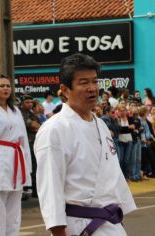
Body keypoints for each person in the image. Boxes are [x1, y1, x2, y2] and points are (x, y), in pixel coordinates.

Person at [34, 53, 136, 236]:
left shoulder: (101, 124)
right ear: (65, 90)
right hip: (78, 225)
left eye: (95, 81)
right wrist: (58, 231)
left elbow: (112, 175)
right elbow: (50, 187)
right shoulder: (54, 129)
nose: (92, 88)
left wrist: (119, 215)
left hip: (110, 223)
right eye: (83, 83)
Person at [0, 74, 32, 236]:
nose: (6, 89)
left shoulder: (15, 111)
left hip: (16, 162)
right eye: (2, 86)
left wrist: (28, 168)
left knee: (13, 214)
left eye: (8, 86)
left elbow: (23, 139)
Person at [20, 94, 41, 198]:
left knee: (36, 166)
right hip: (27, 143)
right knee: (30, 166)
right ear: (22, 103)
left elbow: (39, 125)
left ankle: (35, 189)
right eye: (27, 102)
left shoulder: (31, 113)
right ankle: (30, 188)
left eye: (31, 102)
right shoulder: (21, 113)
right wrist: (36, 126)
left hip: (34, 142)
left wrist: (36, 126)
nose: (30, 104)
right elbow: (32, 125)